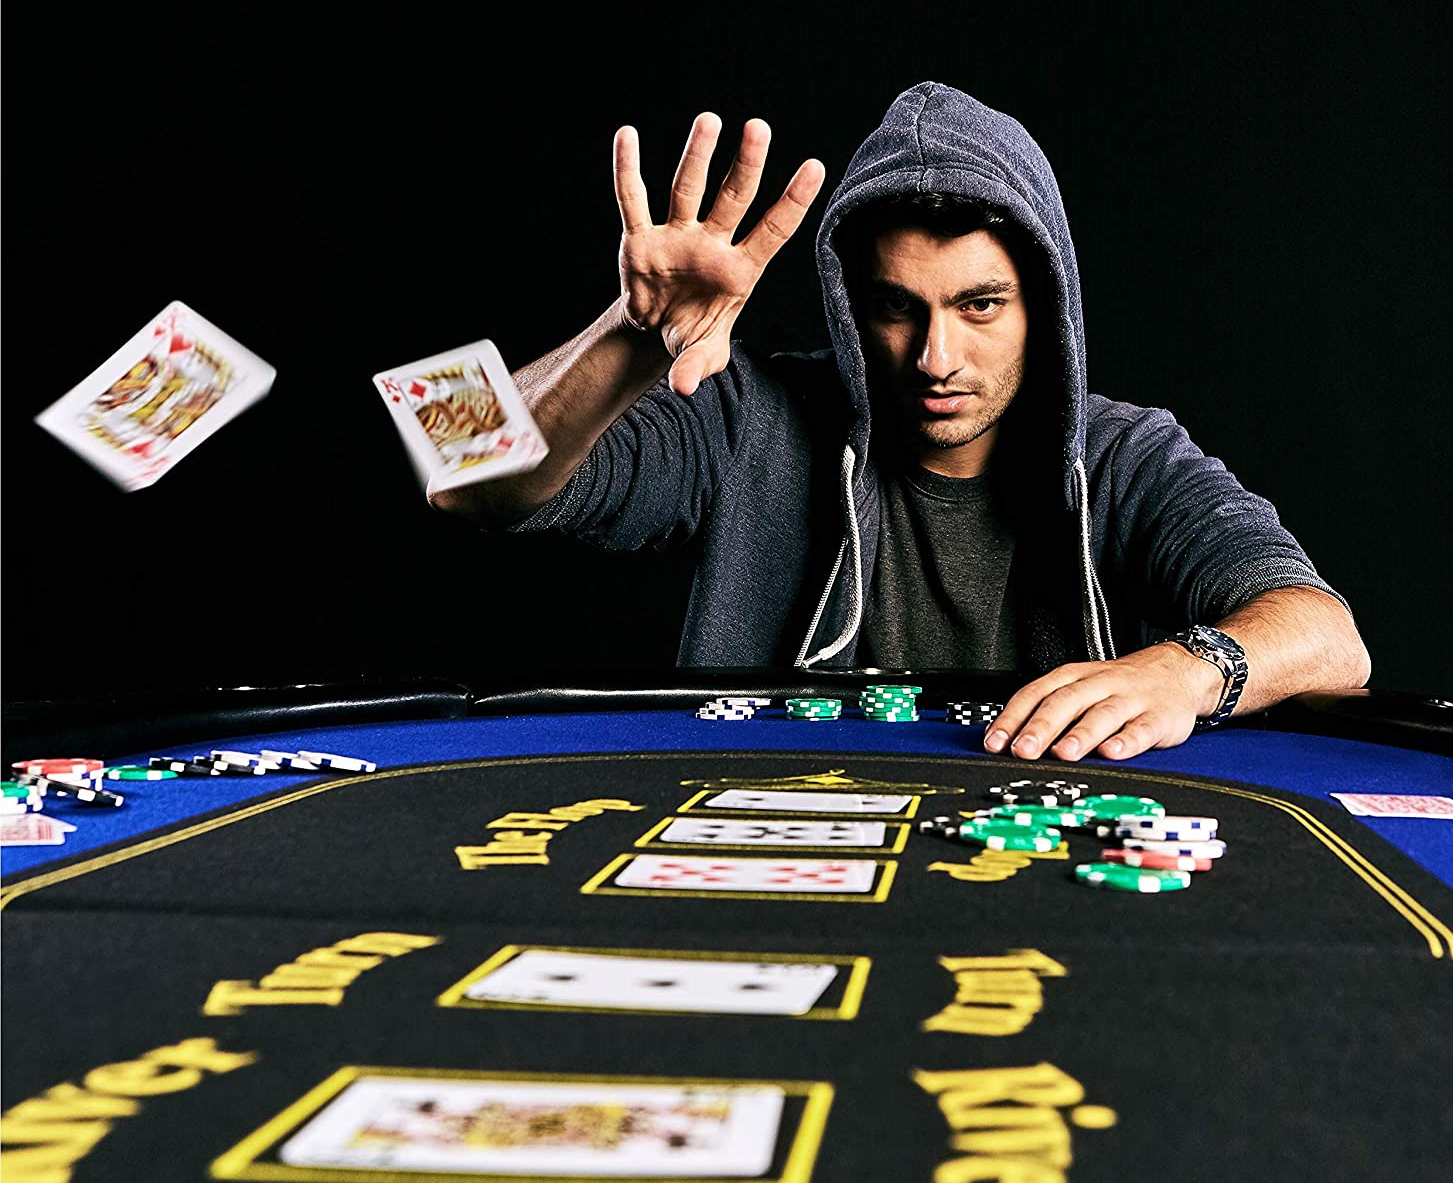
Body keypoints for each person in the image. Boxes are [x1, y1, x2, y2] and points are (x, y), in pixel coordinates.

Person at [433, 82, 1370, 762]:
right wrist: (627, 337)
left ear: (1046, 306)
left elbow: (1331, 639)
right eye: (895, 309)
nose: (935, 358)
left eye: (979, 305)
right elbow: (453, 465)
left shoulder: (1126, 451)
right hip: (772, 839)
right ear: (847, 309)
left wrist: (1185, 672)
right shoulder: (747, 413)